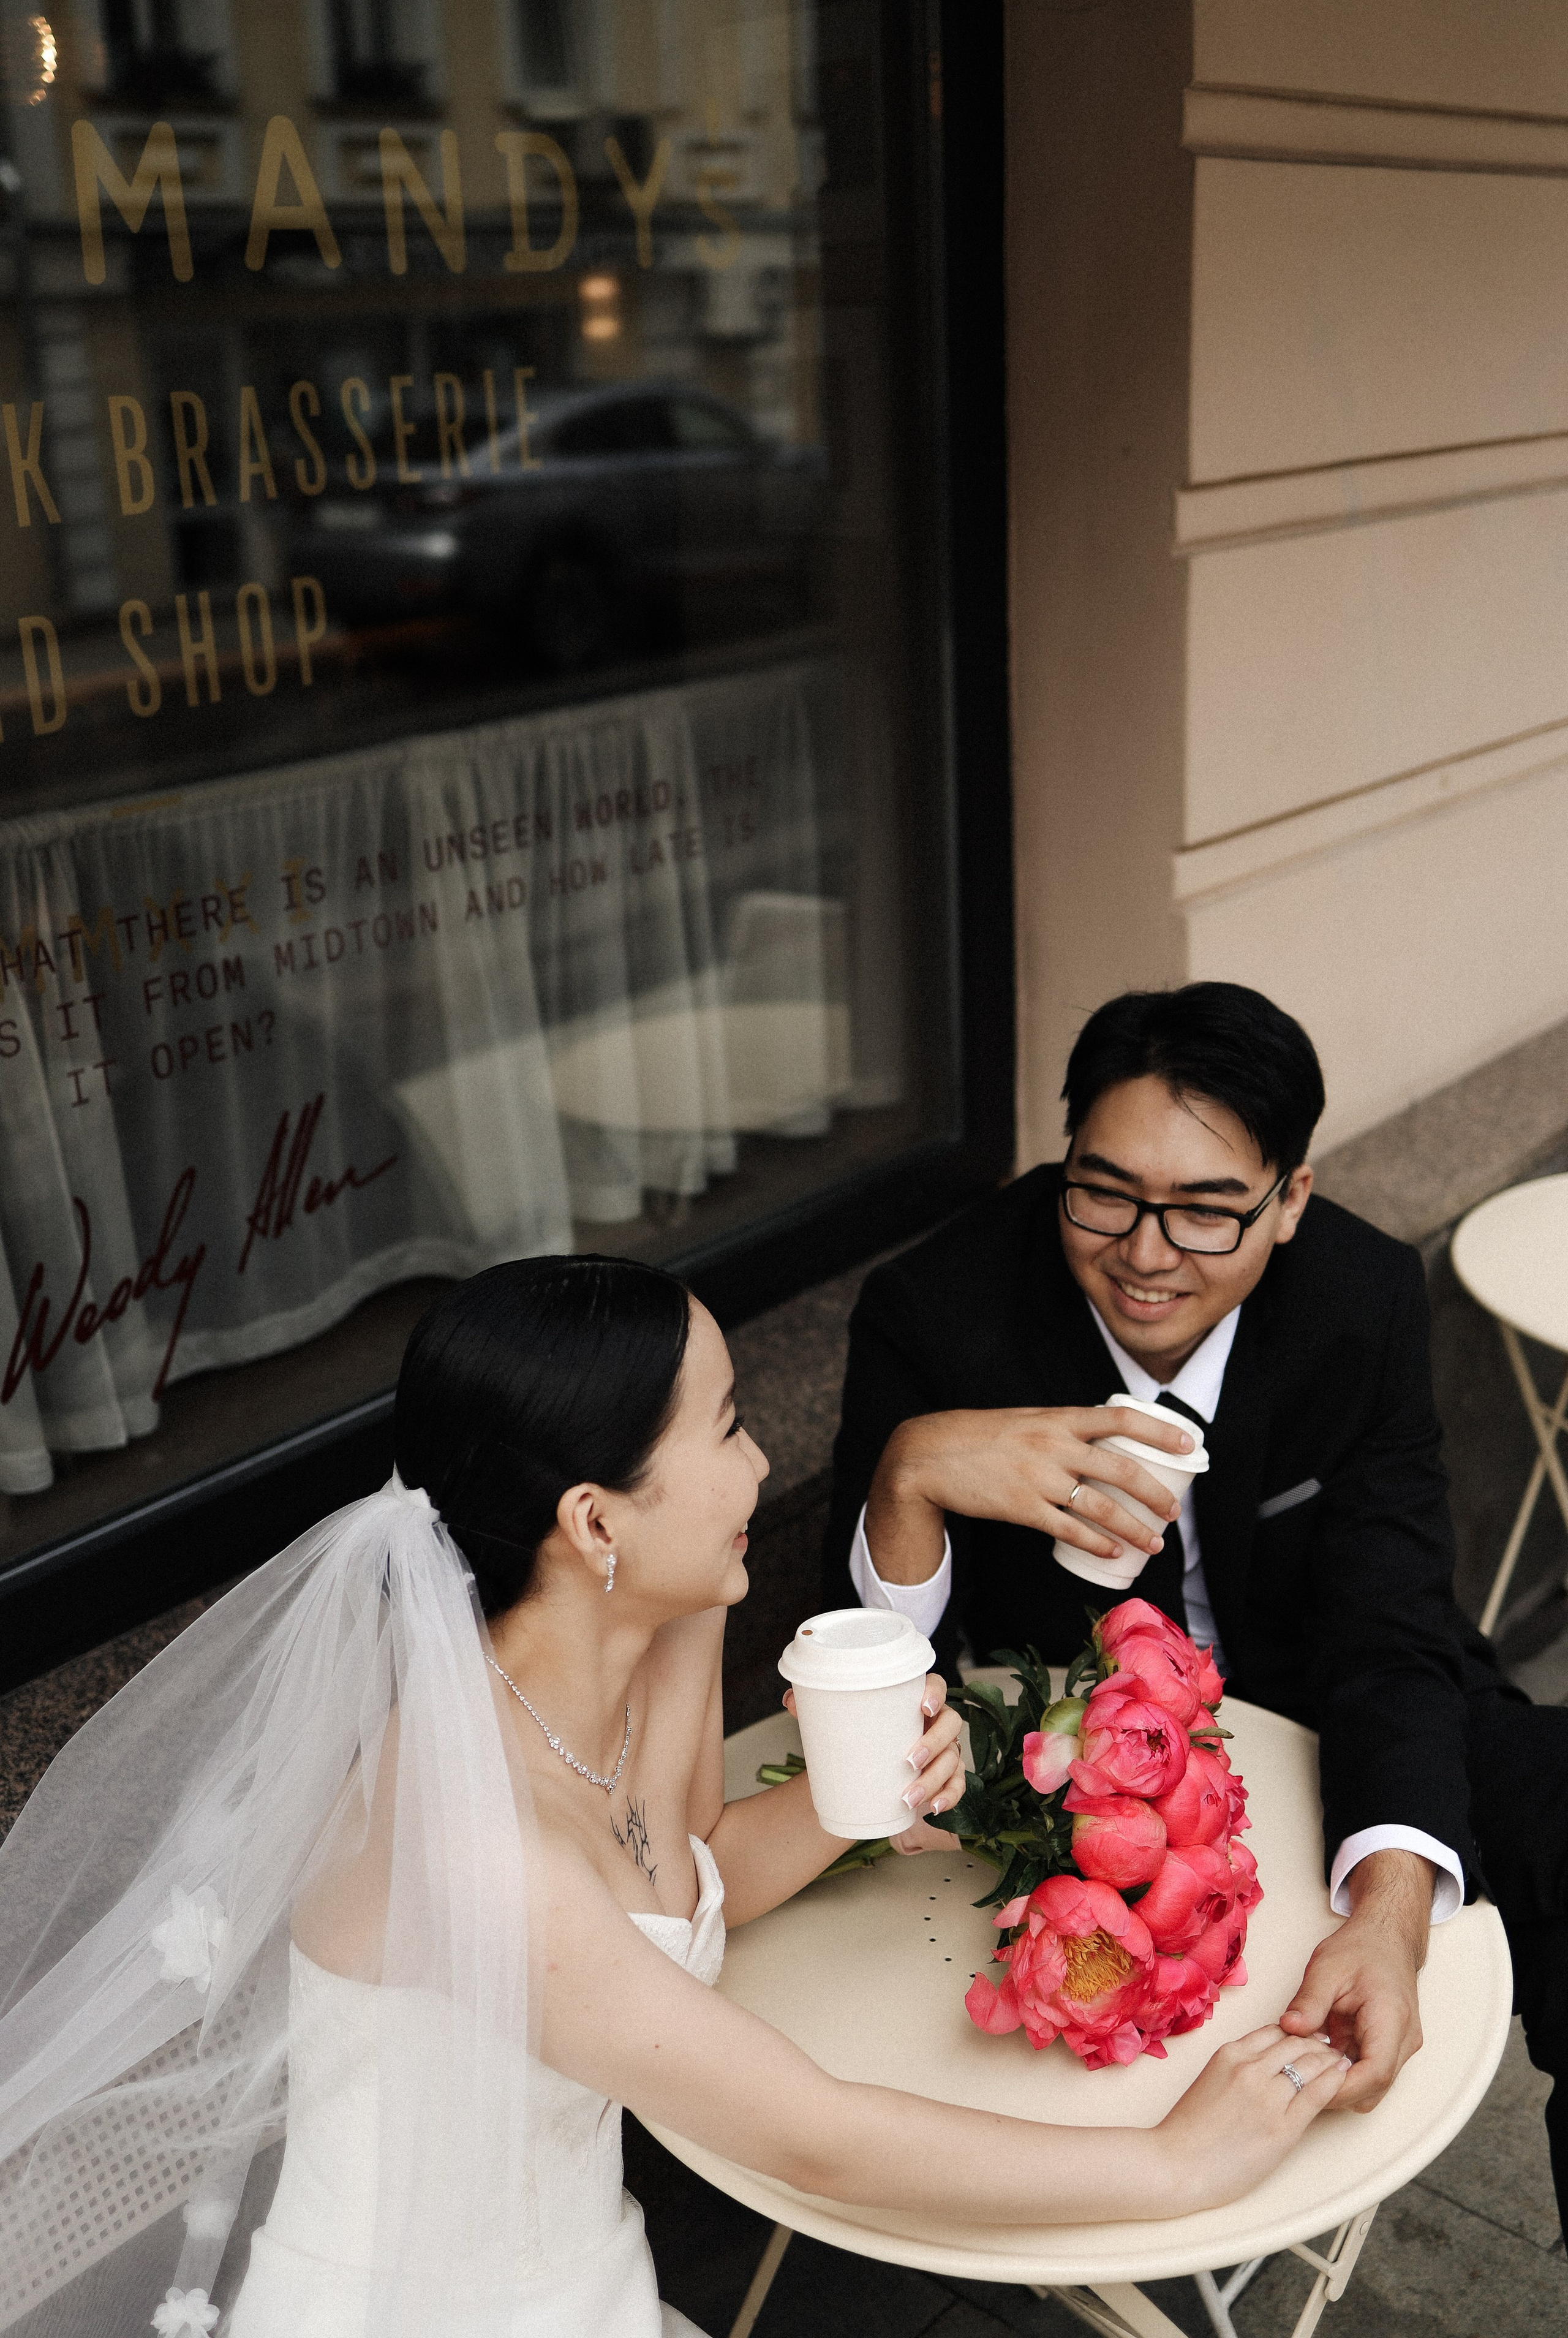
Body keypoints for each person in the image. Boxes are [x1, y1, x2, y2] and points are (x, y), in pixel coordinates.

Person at [0, 1252, 1349, 2336]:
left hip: (590, 2268)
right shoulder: (472, 1841)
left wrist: (848, 1803)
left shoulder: (662, 1629)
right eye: (729, 1426)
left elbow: (687, 1868)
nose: (760, 1465)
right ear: (596, 1522)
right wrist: (1175, 2165)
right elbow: (809, 2139)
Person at [827, 980, 1568, 2232]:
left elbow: (1391, 1627)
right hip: (1059, 1761)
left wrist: (1388, 1915)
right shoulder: (935, 1310)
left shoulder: (1361, 1295)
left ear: (1289, 1202)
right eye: (1103, 1190)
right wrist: (910, 1473)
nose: (1145, 1250)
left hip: (1326, 1697)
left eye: (1207, 1210)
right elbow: (884, 1682)